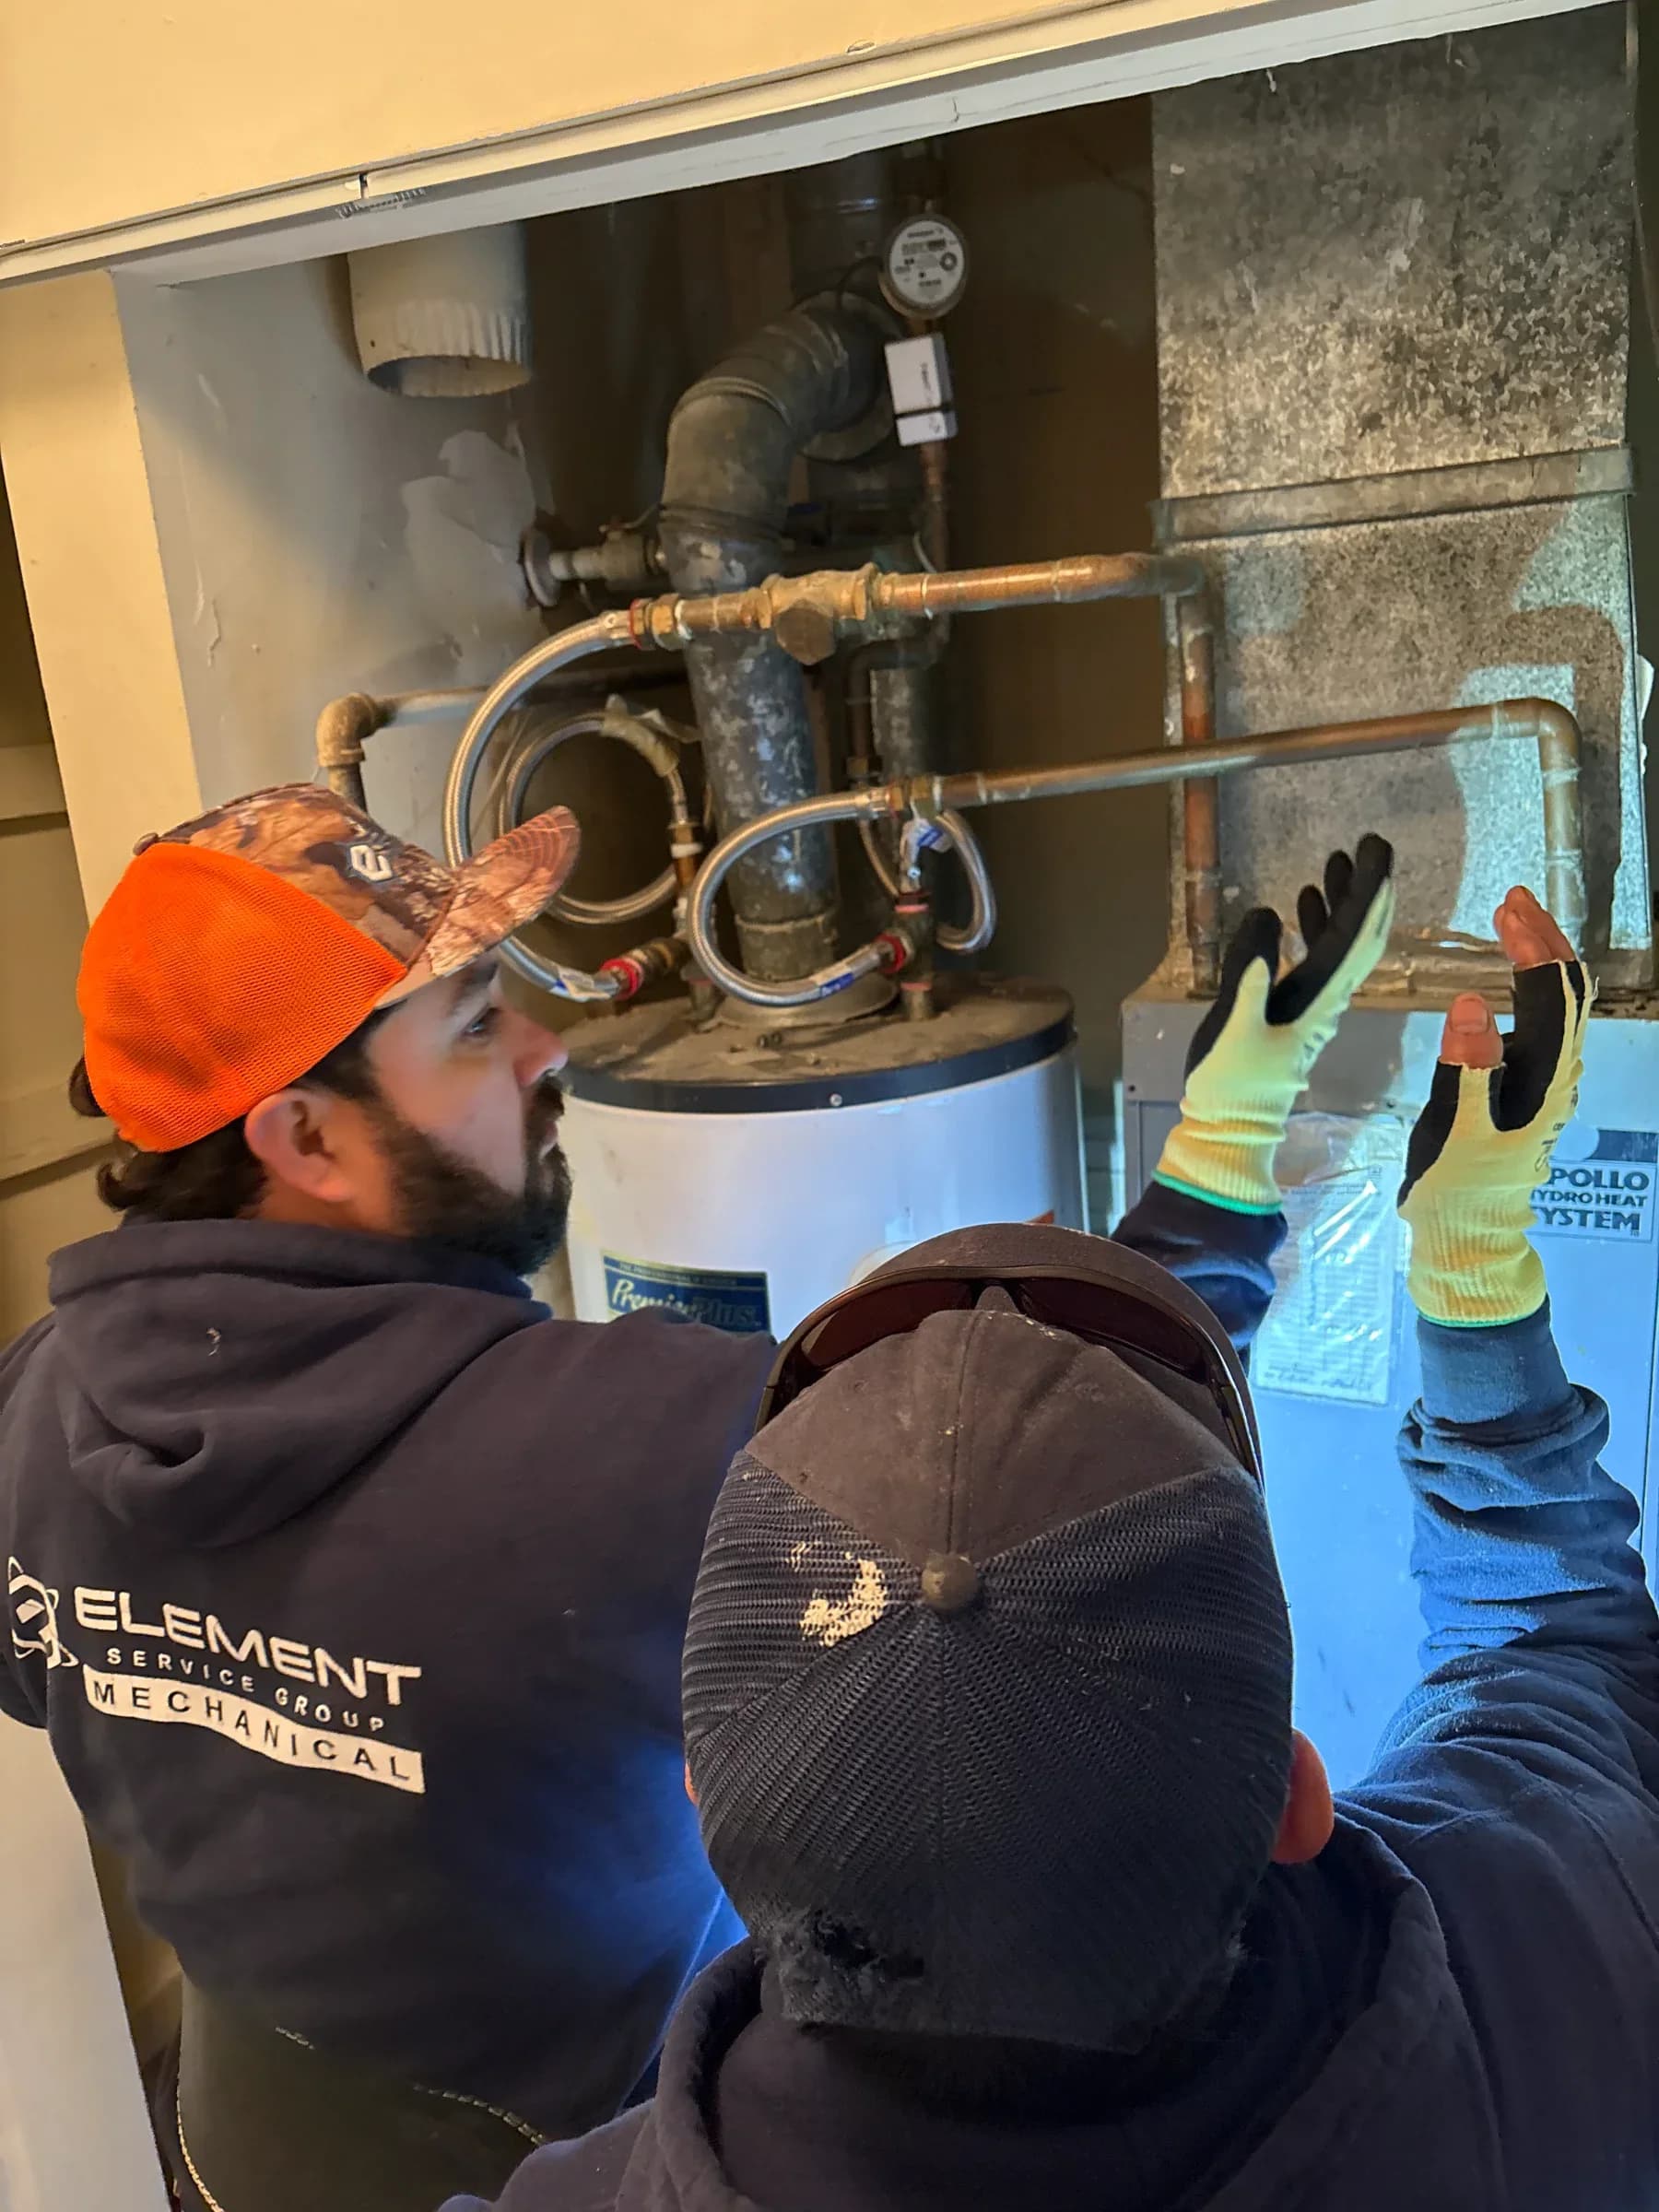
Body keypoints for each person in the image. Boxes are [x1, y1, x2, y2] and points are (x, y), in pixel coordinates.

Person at [448, 849, 1659, 2212]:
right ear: (1293, 1800)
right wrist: (1473, 1267)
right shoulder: (1564, 1987)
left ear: (704, 1796)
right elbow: (1561, 1661)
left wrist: (1211, 1163)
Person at [0, 785, 775, 2211]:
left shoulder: (32, 1406)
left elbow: (55, 1673)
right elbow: (1052, 1498)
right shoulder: (646, 1443)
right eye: (476, 1023)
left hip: (246, 2152)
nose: (546, 1050)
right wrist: (1215, 1182)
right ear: (303, 1139)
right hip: (591, 2159)